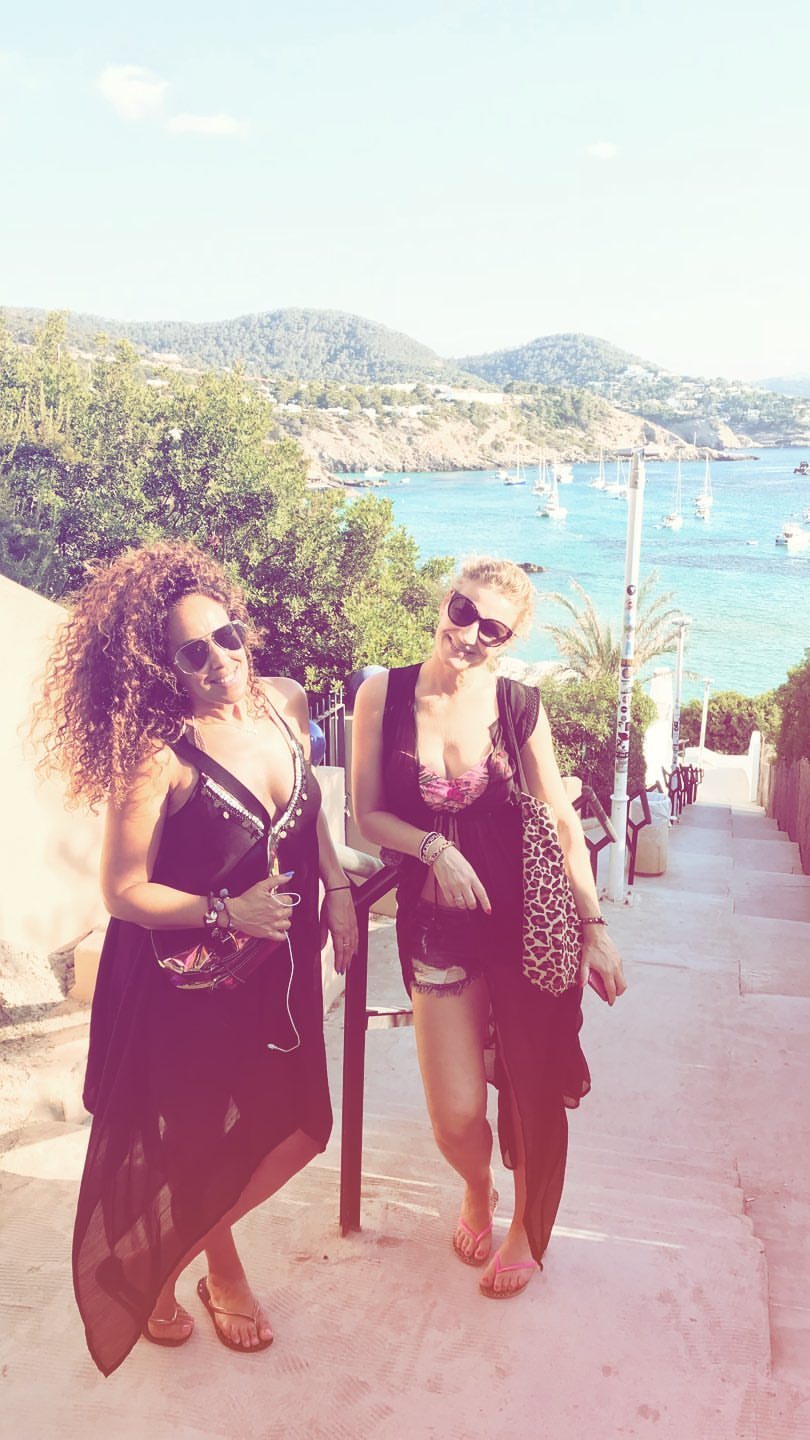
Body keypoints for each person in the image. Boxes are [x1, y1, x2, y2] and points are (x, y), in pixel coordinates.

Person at [35, 540, 357, 1374]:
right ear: (162, 668)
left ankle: (157, 1260)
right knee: (199, 1134)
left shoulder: (280, 704)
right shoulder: (159, 755)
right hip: (184, 984)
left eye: (228, 637)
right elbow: (121, 891)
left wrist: (340, 889)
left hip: (275, 970)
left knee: (300, 1127)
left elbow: (309, 808)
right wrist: (227, 909)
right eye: (192, 652)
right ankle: (214, 1270)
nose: (220, 660)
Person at [351, 557, 626, 1299]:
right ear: (447, 601)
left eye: (493, 628)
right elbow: (367, 813)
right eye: (463, 610)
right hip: (436, 927)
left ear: (510, 639)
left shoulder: (517, 706)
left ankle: (526, 1231)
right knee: (456, 1113)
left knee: (532, 1088)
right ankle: (477, 1187)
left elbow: (562, 821)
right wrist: (432, 849)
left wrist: (594, 925)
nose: (469, 633)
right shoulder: (384, 693)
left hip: (526, 925)